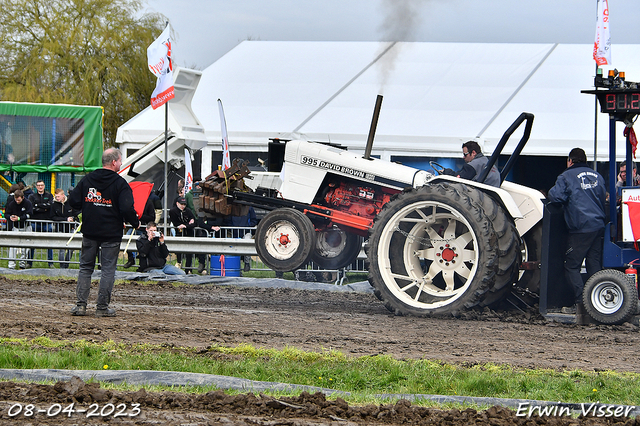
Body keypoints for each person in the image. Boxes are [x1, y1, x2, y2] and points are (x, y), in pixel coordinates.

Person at [68, 148, 140, 317]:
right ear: (114, 162)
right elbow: (126, 208)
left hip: (90, 231)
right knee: (108, 270)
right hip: (111, 233)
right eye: (120, 160)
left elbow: (73, 200)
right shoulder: (121, 183)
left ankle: (80, 306)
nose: (121, 164)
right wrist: (135, 222)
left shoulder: (87, 179)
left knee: (85, 268)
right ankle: (101, 308)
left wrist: (87, 209)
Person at [548, 148, 606, 313]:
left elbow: (557, 196)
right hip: (598, 225)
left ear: (570, 161)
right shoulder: (598, 176)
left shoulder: (566, 176)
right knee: (593, 264)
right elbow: (603, 197)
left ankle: (580, 304)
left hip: (581, 227)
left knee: (571, 265)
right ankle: (597, 304)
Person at [123, 195, 155, 269]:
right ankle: (131, 258)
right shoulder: (134, 203)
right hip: (134, 227)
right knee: (127, 240)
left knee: (143, 246)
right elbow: (128, 213)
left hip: (144, 229)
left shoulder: (149, 203)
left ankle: (142, 263)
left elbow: (152, 217)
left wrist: (140, 217)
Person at [50, 188, 79, 268]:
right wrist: (65, 219)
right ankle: (62, 266)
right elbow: (53, 217)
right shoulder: (54, 205)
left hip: (70, 228)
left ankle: (67, 263)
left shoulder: (70, 203)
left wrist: (73, 218)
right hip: (60, 229)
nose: (57, 198)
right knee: (62, 248)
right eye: (56, 196)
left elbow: (75, 212)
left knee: (71, 248)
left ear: (63, 195)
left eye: (58, 196)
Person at [28, 180, 54, 267]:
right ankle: (29, 262)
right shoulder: (32, 196)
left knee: (49, 243)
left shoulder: (49, 195)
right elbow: (32, 208)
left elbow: (50, 206)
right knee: (32, 243)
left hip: (47, 222)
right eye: (38, 185)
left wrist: (38, 206)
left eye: (42, 185)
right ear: (36, 186)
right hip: (35, 222)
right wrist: (44, 207)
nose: (40, 187)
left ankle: (50, 263)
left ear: (44, 186)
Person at [5, 189, 33, 269]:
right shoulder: (11, 204)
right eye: (16, 200)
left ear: (23, 197)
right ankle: (11, 265)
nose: (17, 201)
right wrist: (10, 217)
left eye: (19, 200)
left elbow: (29, 214)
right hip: (16, 227)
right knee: (13, 247)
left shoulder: (28, 203)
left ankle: (22, 264)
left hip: (26, 227)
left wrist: (20, 218)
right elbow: (6, 213)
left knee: (25, 247)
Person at [169, 196, 197, 273]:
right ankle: (179, 263)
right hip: (179, 233)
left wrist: (186, 226)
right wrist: (188, 223)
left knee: (189, 253)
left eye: (184, 204)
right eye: (181, 204)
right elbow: (176, 223)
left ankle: (188, 269)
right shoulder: (173, 211)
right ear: (177, 203)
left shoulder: (188, 211)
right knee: (179, 250)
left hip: (189, 233)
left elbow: (194, 222)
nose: (183, 206)